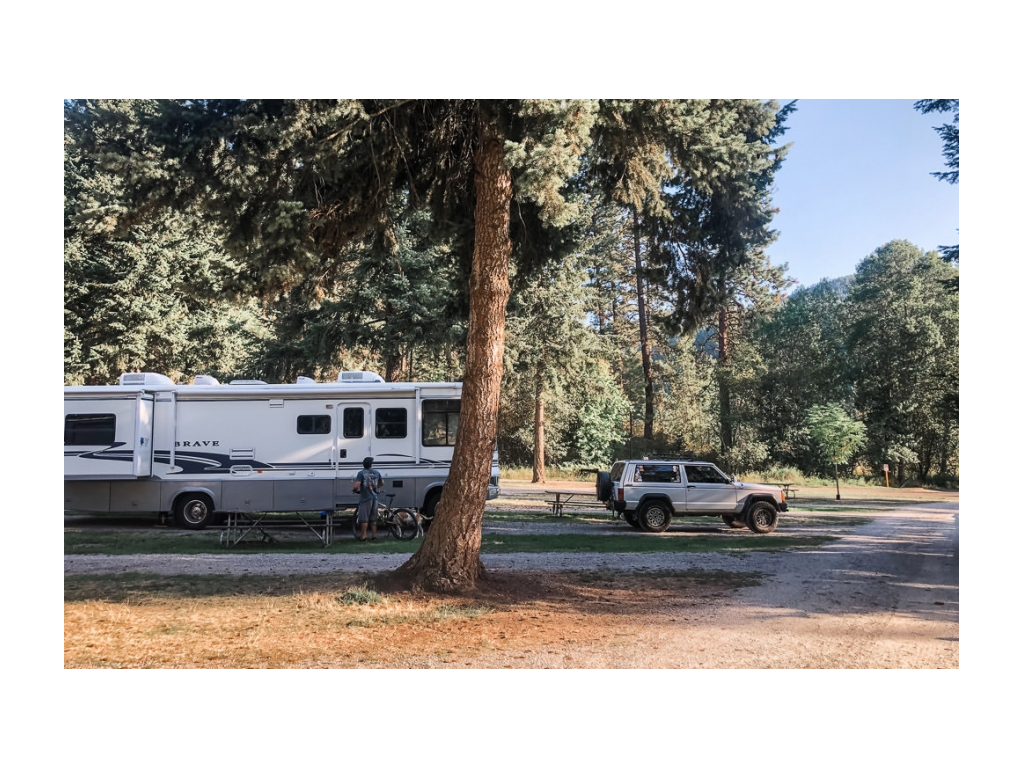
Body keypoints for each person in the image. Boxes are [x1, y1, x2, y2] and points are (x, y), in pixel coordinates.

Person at [353, 456, 383, 541]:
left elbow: (356, 485)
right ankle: (374, 536)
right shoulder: (376, 472)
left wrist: (354, 490)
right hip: (375, 498)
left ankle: (363, 536)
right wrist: (376, 488)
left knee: (364, 518)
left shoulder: (361, 473)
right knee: (373, 518)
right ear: (371, 464)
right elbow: (382, 482)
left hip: (365, 498)